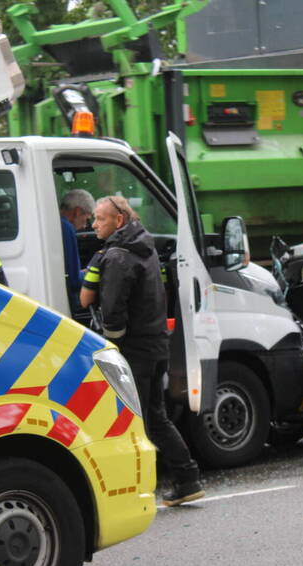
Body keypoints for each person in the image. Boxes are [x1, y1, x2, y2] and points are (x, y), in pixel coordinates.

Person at [81, 195, 205, 507]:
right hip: (155, 345)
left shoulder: (117, 257)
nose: (94, 224)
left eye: (100, 218)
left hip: (135, 350)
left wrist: (111, 346)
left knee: (130, 418)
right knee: (154, 416)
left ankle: (135, 488)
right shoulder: (144, 247)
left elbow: (112, 311)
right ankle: (187, 478)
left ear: (118, 221)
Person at [59, 189, 92, 311]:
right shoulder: (66, 227)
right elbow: (74, 280)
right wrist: (92, 272)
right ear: (77, 212)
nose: (85, 226)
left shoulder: (58, 223)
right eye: (87, 219)